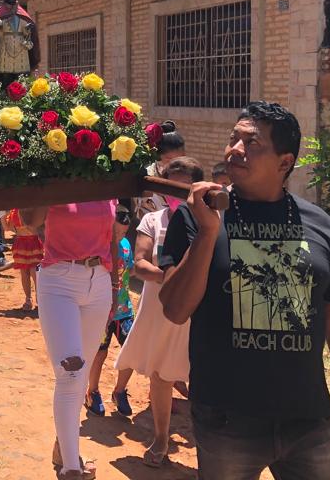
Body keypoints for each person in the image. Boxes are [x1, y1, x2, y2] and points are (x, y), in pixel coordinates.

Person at [159, 101, 330, 479]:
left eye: (252, 143)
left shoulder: (318, 223)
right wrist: (208, 232)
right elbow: (174, 308)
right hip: (226, 419)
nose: (235, 149)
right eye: (234, 138)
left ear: (284, 163)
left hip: (307, 418)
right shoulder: (197, 215)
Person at [116, 157, 203, 466]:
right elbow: (139, 264)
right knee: (161, 375)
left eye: (182, 185)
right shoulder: (153, 221)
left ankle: (209, 446)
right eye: (169, 184)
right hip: (161, 307)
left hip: (199, 311)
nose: (175, 192)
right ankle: (162, 438)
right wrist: (172, 278)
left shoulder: (211, 219)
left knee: (203, 376)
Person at [30, 201, 116, 479]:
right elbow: (31, 219)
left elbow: (112, 236)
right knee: (70, 373)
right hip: (58, 280)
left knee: (81, 374)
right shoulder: (60, 175)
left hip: (99, 281)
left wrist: (113, 284)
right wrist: (44, 187)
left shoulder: (109, 180)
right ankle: (70, 468)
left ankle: (63, 447)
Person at [86, 208, 135, 421]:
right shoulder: (95, 247)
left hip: (124, 309)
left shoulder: (125, 246)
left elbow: (130, 270)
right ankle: (92, 392)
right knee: (99, 353)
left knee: (132, 351)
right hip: (101, 310)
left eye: (123, 234)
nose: (119, 238)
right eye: (115, 233)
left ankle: (119, 391)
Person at [6, 209, 43, 310]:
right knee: (24, 272)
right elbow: (7, 227)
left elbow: (32, 228)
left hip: (34, 241)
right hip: (21, 242)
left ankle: (40, 299)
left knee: (34, 272)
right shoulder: (13, 211)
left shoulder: (32, 207)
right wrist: (3, 214)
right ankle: (28, 299)